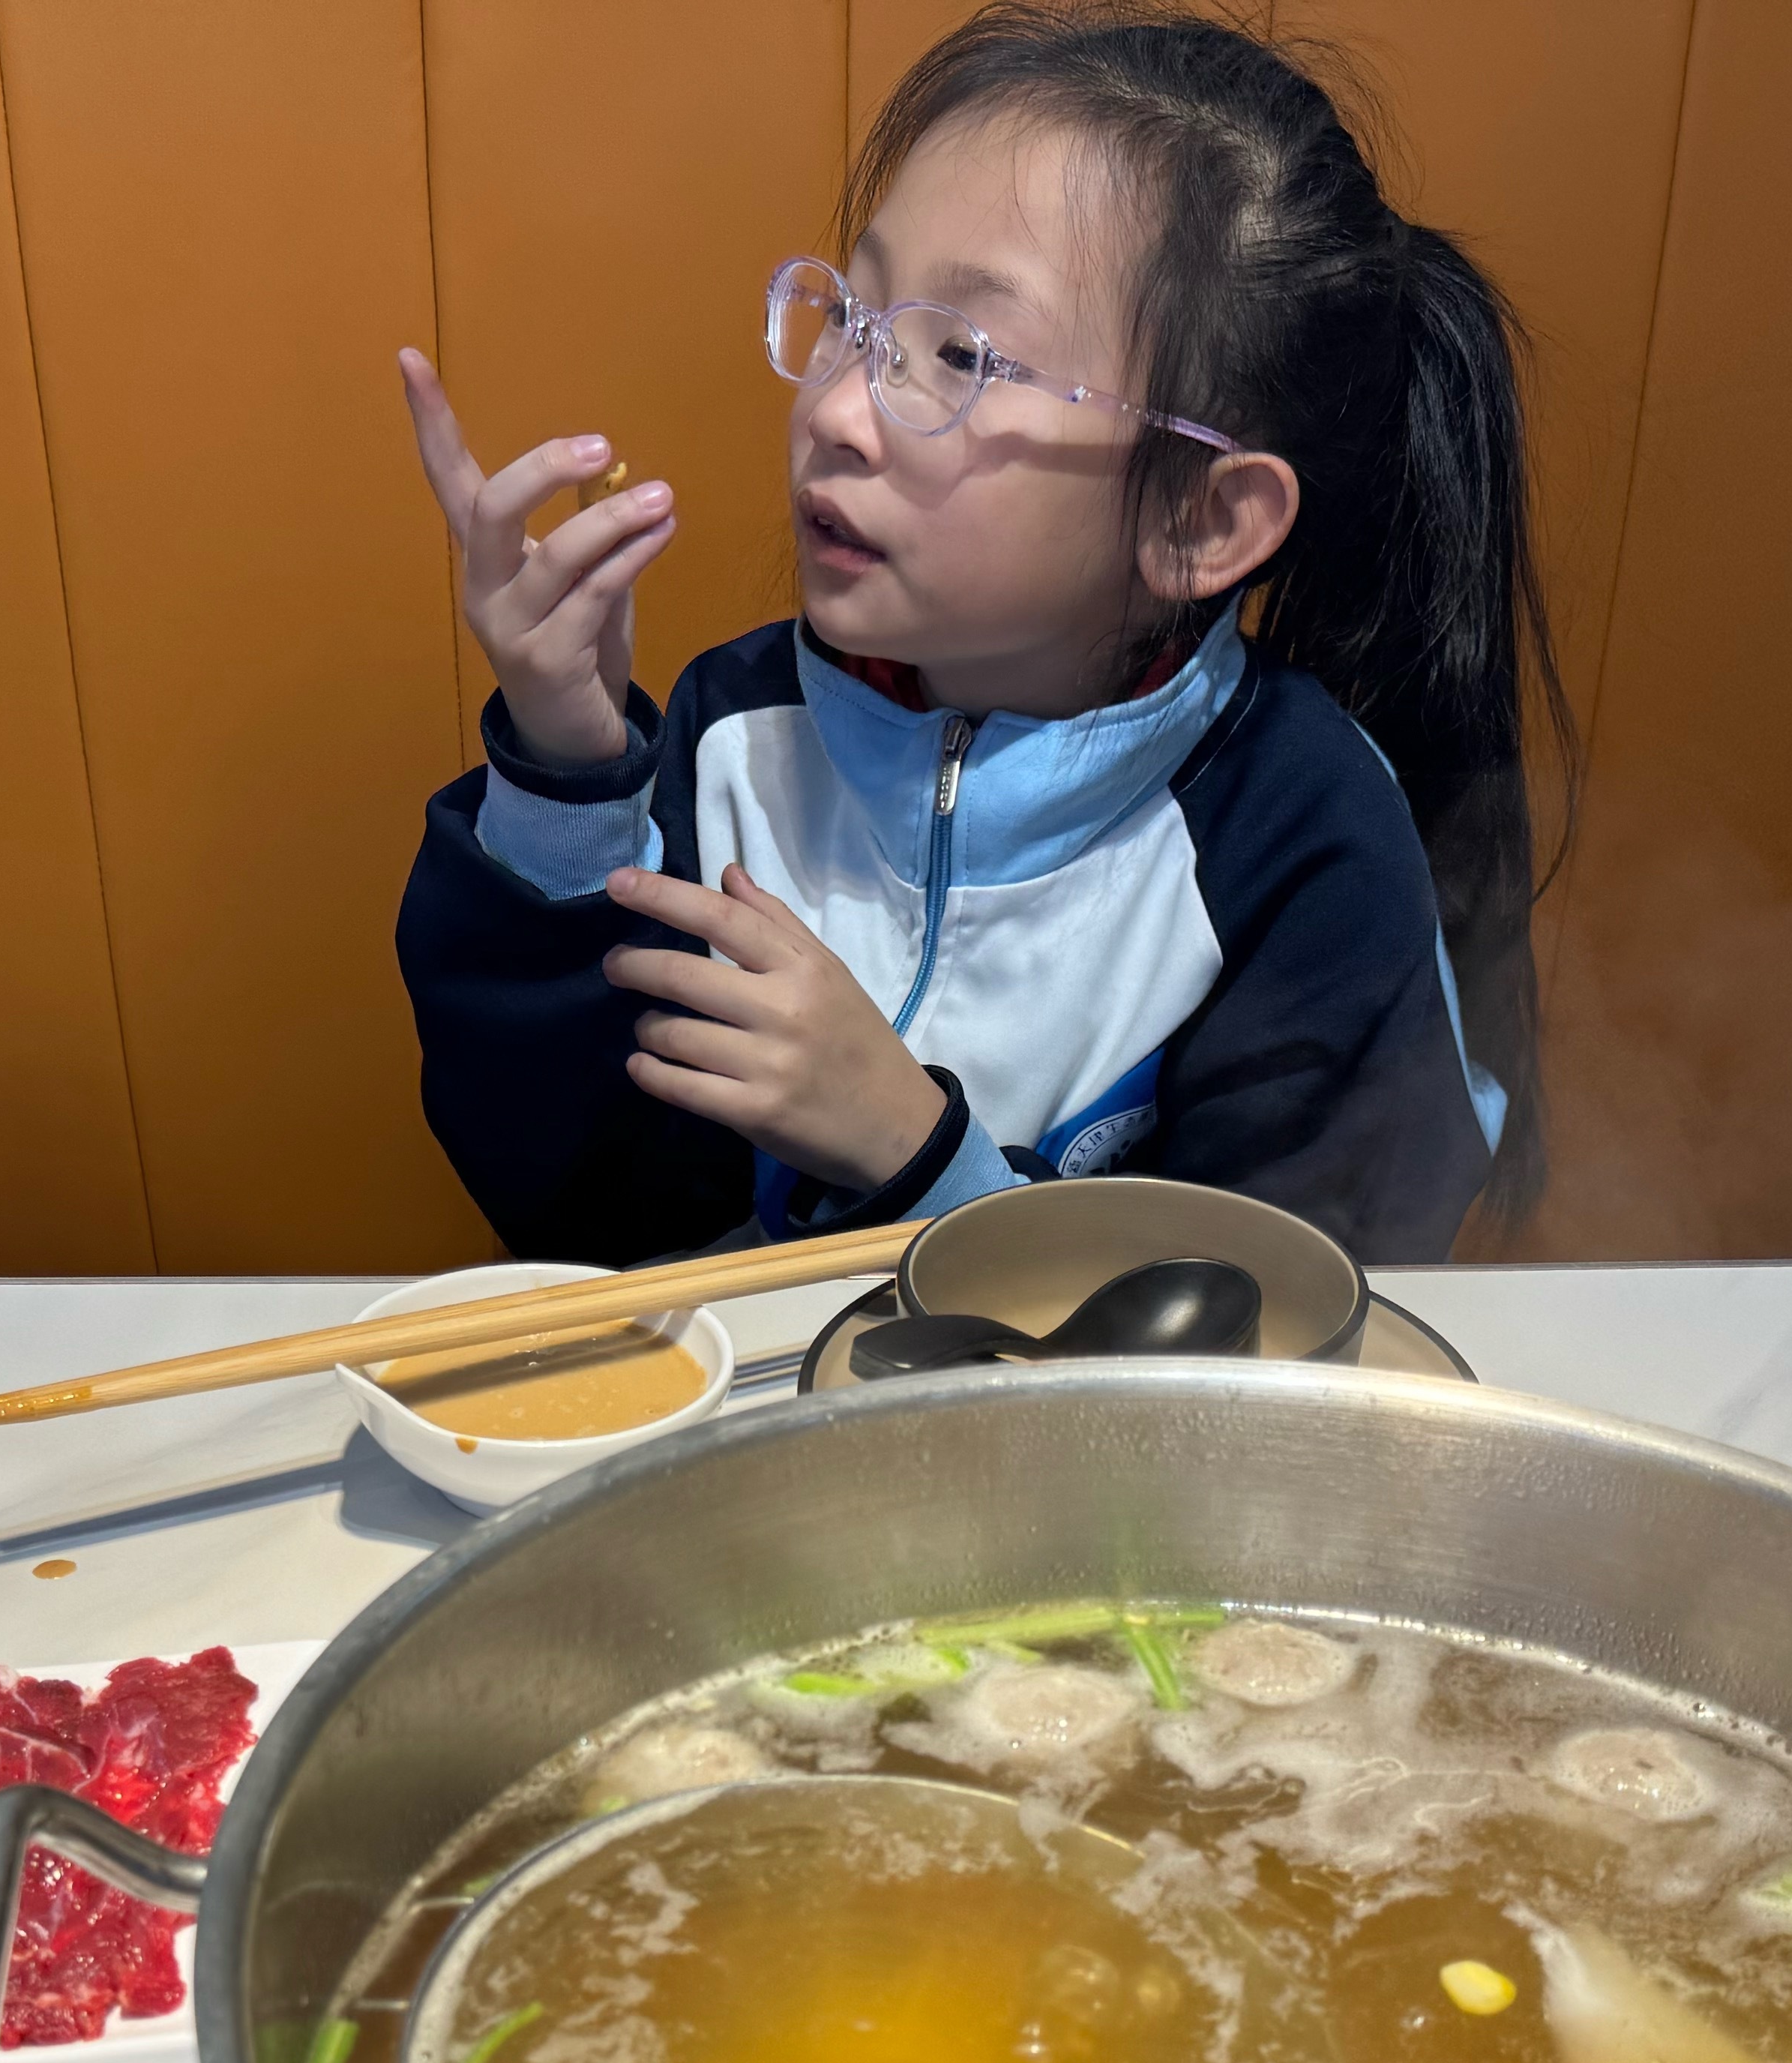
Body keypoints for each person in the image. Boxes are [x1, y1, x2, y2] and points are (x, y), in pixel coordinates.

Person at [391, 2, 1563, 1268]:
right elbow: (579, 1211)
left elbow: (1266, 1350)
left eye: (962, 355)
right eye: (854, 316)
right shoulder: (733, 733)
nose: (839, 407)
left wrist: (916, 1156)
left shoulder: (1302, 836)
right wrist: (567, 769)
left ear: (1200, 518)